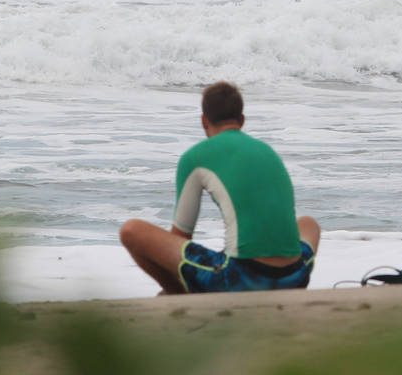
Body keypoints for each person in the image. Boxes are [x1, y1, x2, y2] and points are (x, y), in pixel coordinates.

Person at [120, 81, 320, 294]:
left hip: (240, 279)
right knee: (308, 224)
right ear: (241, 121)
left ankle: (177, 295)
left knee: (131, 230)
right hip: (296, 275)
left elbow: (180, 239)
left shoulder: (194, 157)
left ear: (204, 121)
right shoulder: (267, 151)